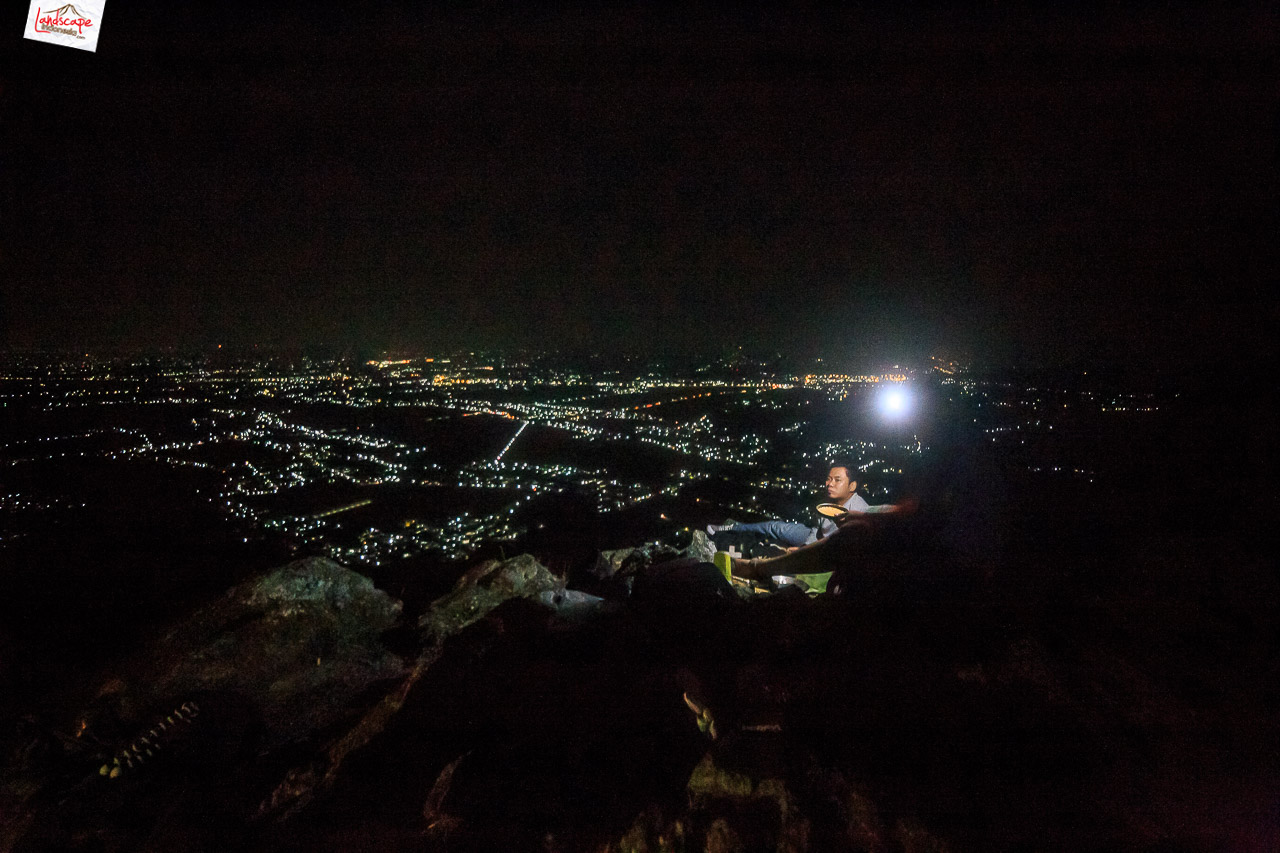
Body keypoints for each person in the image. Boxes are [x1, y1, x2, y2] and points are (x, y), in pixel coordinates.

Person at [707, 463, 869, 548]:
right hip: (815, 540)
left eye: (837, 480)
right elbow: (817, 529)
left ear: (852, 486)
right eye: (829, 478)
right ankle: (734, 527)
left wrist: (802, 552)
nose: (829, 484)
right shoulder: (828, 503)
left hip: (827, 550)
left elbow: (838, 546)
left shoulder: (859, 511)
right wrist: (806, 545)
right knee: (776, 527)